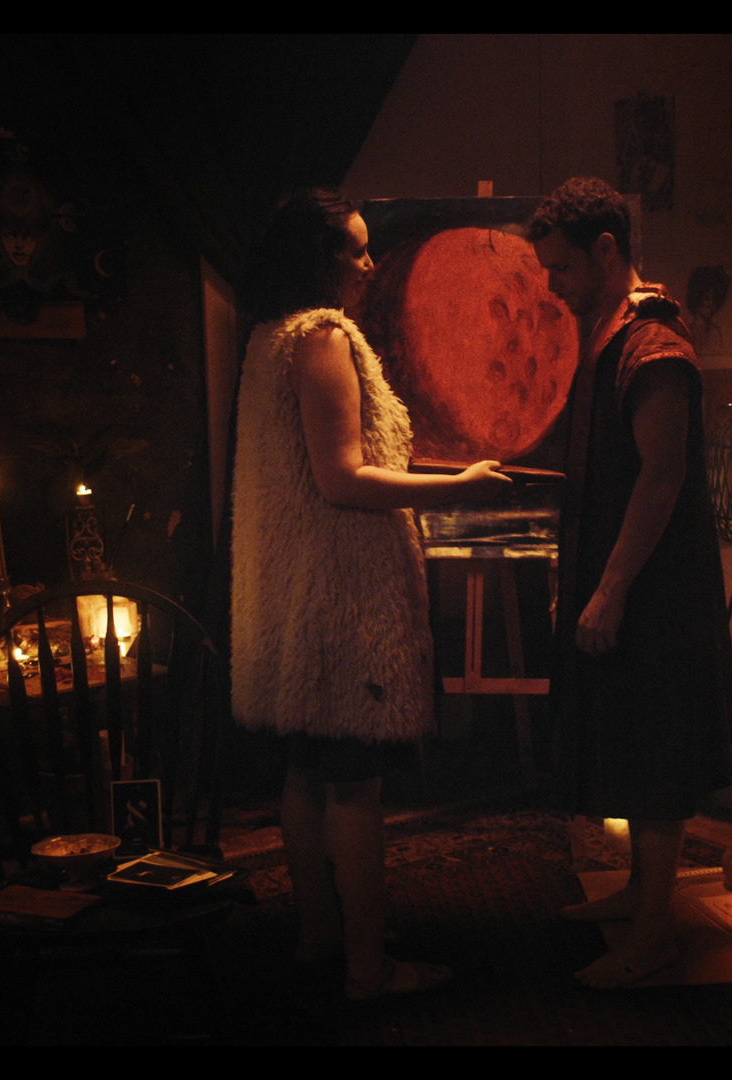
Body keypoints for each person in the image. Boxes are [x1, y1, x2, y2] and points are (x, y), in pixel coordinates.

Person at [230, 189, 512, 1001]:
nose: (368, 264)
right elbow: (344, 479)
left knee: (306, 771)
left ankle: (322, 934)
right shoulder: (322, 338)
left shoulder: (267, 337)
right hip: (342, 594)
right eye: (354, 250)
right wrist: (457, 487)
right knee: (354, 782)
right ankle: (368, 968)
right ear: (317, 260)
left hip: (293, 592)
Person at [530, 177, 732, 989]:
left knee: (655, 757)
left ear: (607, 249)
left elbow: (662, 477)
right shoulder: (610, 332)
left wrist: (612, 587)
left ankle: (655, 935)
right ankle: (635, 894)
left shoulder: (655, 347)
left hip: (658, 588)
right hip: (621, 571)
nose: (554, 285)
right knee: (627, 736)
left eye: (562, 268)